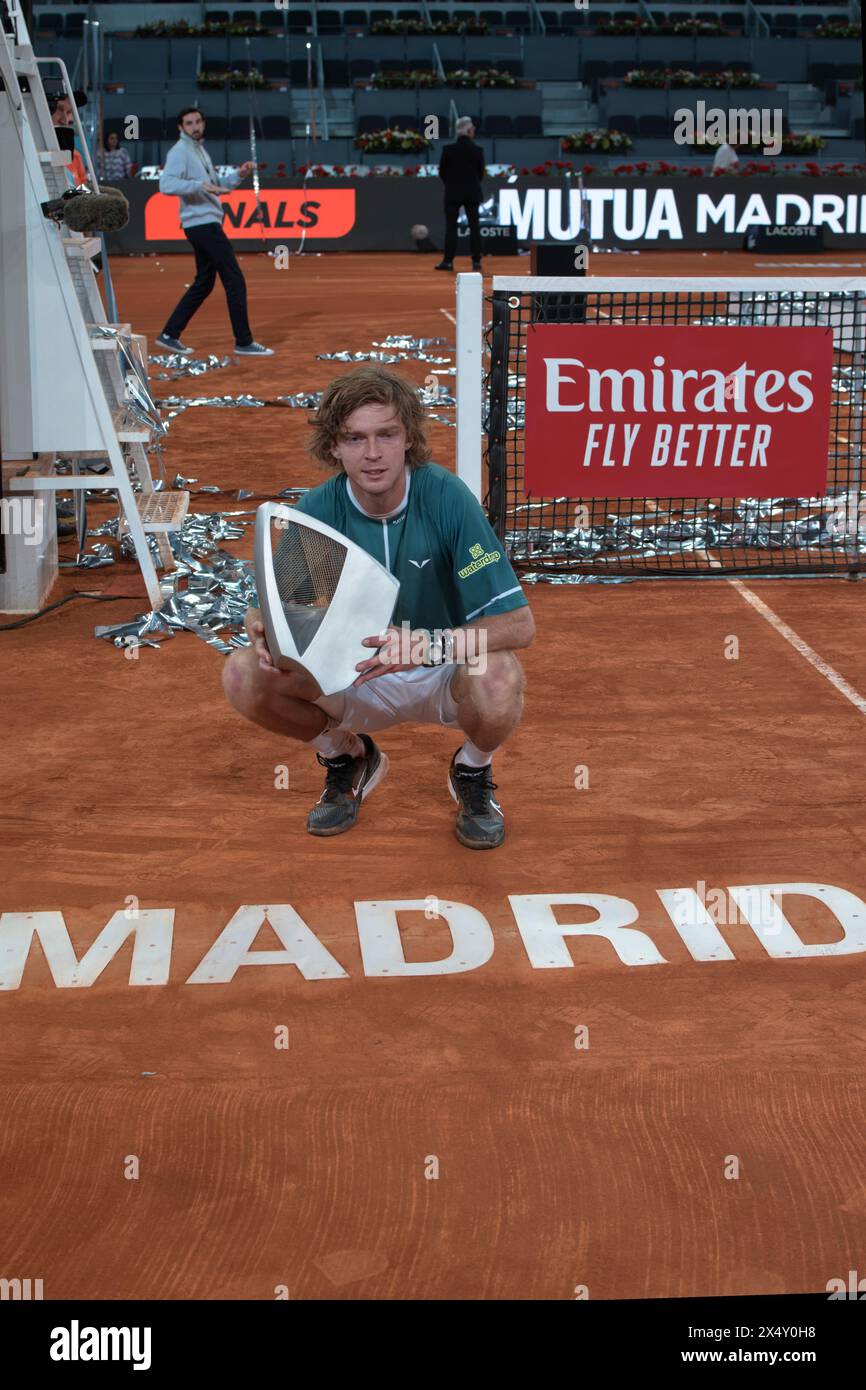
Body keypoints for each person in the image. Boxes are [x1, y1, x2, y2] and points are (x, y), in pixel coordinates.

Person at [222, 365, 535, 850]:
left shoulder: (447, 498)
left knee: (498, 675)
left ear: (408, 436)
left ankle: (472, 770)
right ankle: (346, 757)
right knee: (242, 674)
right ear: (333, 446)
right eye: (354, 438)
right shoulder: (315, 513)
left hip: (440, 669)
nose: (372, 454)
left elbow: (519, 626)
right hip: (352, 677)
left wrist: (430, 645)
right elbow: (264, 613)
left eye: (386, 434)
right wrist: (261, 629)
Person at [157, 106, 273, 357]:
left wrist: (238, 175)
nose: (195, 126)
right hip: (202, 223)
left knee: (204, 283)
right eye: (189, 123)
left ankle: (169, 334)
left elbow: (216, 185)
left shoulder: (198, 150)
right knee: (234, 278)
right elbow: (165, 184)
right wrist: (200, 185)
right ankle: (243, 341)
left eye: (198, 121)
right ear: (181, 127)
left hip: (203, 223)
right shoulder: (180, 151)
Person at [435, 116, 485, 272]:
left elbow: (442, 172)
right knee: (475, 227)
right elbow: (480, 173)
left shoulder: (448, 150)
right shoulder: (477, 150)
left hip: (452, 193)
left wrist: (452, 185)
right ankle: (476, 262)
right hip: (472, 193)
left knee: (451, 227)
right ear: (469, 130)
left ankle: (448, 261)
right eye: (473, 129)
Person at [49, 90, 89, 187]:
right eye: (59, 109)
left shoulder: (75, 156)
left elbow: (84, 189)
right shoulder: (33, 154)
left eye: (69, 112)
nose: (65, 120)